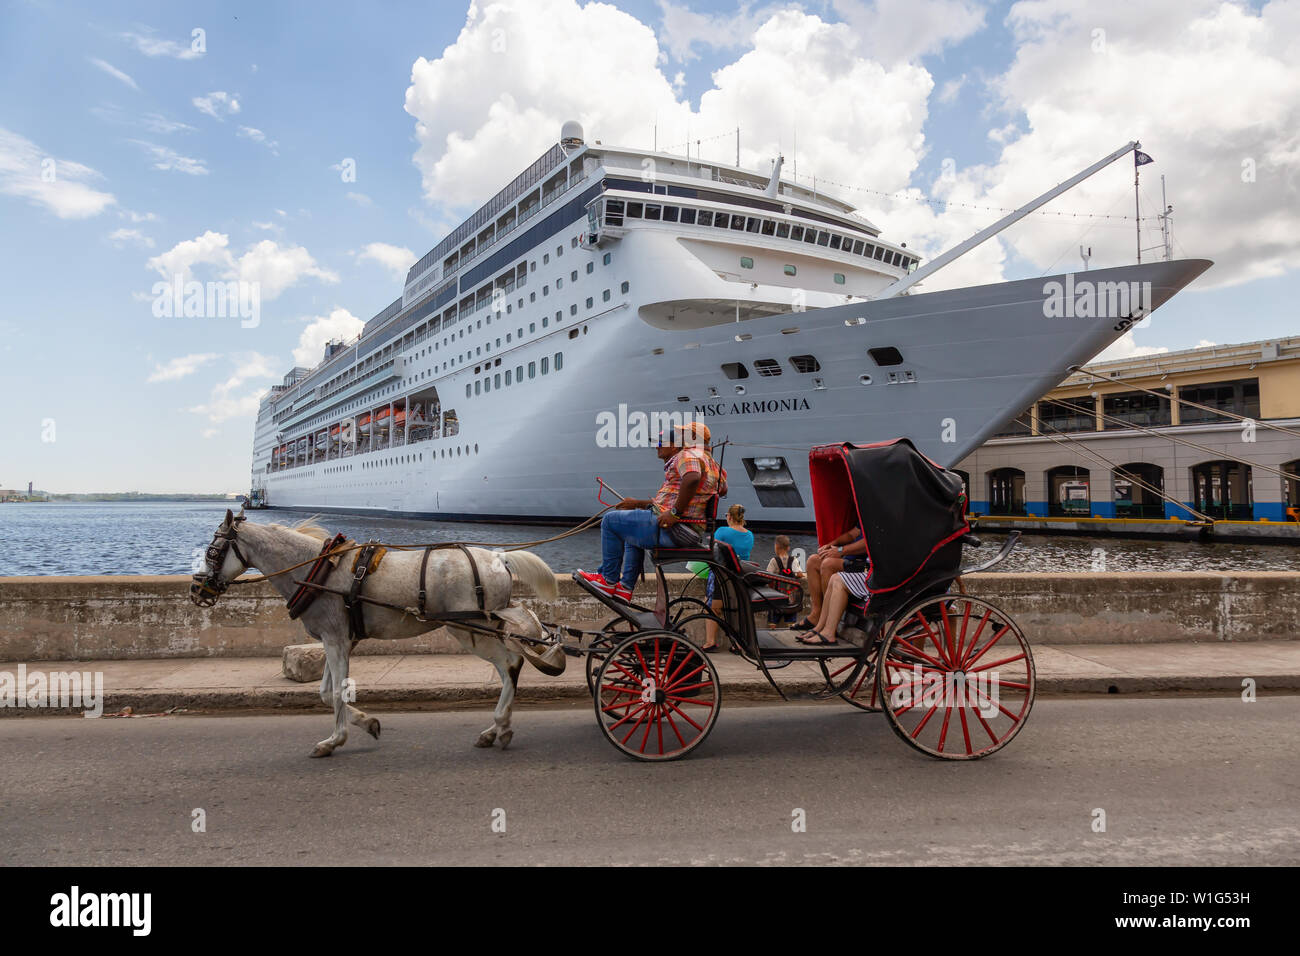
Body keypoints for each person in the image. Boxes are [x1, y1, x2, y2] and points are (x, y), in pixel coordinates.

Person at [578, 422, 722, 602]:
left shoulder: (689, 454)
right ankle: (625, 588)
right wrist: (638, 503)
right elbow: (721, 489)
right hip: (688, 530)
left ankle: (608, 580)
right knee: (630, 533)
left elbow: (692, 478)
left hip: (674, 530)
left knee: (609, 521)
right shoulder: (712, 463)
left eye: (683, 434)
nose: (680, 438)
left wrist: (675, 513)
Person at [702, 504, 752, 652]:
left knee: (711, 608)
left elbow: (713, 551)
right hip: (739, 576)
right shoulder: (749, 535)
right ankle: (737, 643)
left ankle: (710, 642)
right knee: (736, 609)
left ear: (729, 516)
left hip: (721, 575)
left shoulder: (722, 531)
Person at [794, 526, 865, 630]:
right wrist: (832, 544)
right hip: (850, 559)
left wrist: (840, 550)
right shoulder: (864, 517)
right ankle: (816, 614)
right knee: (813, 561)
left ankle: (827, 623)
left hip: (864, 564)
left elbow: (868, 543)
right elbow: (851, 534)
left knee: (828, 564)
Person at [765, 534, 804, 626]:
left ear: (776, 546)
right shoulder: (793, 560)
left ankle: (772, 627)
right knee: (790, 621)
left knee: (772, 621)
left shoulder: (774, 561)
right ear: (788, 548)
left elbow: (767, 576)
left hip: (775, 599)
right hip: (791, 599)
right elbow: (799, 574)